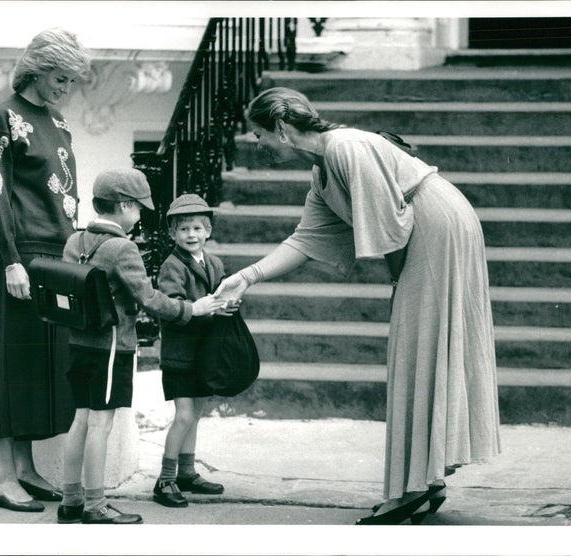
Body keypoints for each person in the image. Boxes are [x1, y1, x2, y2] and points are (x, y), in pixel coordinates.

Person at [214, 87, 501, 525]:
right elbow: (305, 241)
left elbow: (392, 227)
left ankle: (414, 486)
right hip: (427, 228)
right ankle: (423, 480)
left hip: (436, 224)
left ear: (282, 129)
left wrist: (399, 282)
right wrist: (245, 278)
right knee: (415, 348)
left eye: (260, 135)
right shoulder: (323, 169)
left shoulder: (347, 147)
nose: (259, 145)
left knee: (415, 345)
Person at [58, 170, 226, 524]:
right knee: (100, 425)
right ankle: (95, 505)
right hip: (111, 347)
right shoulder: (123, 247)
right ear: (124, 205)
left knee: (81, 419)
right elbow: (148, 298)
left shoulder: (75, 242)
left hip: (79, 342)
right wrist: (190, 308)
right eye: (137, 209)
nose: (139, 216)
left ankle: (71, 500)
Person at [0, 27, 91, 512]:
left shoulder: (59, 121)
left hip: (58, 256)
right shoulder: (2, 117)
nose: (65, 88)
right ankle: (3, 476)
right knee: (14, 363)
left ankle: (26, 468)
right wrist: (11, 261)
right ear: (36, 70)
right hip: (23, 254)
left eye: (70, 80)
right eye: (59, 78)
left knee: (44, 365)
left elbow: (66, 195)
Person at [152, 194, 238, 508]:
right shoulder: (172, 266)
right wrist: (200, 309)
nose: (192, 235)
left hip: (204, 353)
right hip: (180, 355)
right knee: (184, 415)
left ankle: (186, 473)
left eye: (198, 228)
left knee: (196, 415)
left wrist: (229, 303)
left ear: (209, 231)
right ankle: (165, 479)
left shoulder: (214, 263)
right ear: (173, 234)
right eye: (184, 229)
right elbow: (171, 305)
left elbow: (222, 293)